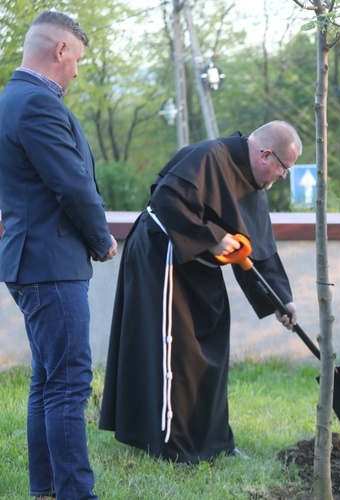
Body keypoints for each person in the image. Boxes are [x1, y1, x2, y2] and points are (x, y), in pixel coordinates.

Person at [99, 121, 302, 464]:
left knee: (212, 348)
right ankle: (172, 445)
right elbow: (165, 200)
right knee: (175, 352)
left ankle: (215, 442)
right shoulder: (207, 156)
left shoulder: (255, 186)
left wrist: (282, 300)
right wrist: (212, 235)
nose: (284, 176)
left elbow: (259, 252)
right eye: (285, 168)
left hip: (201, 267)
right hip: (163, 259)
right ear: (266, 154)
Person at [0, 11, 118, 499]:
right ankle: (74, 494)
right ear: (61, 50)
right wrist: (102, 238)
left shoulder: (10, 100)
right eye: (78, 61)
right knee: (68, 384)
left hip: (30, 260)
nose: (76, 72)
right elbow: (70, 183)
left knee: (47, 382)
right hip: (51, 263)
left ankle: (46, 491)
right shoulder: (35, 104)